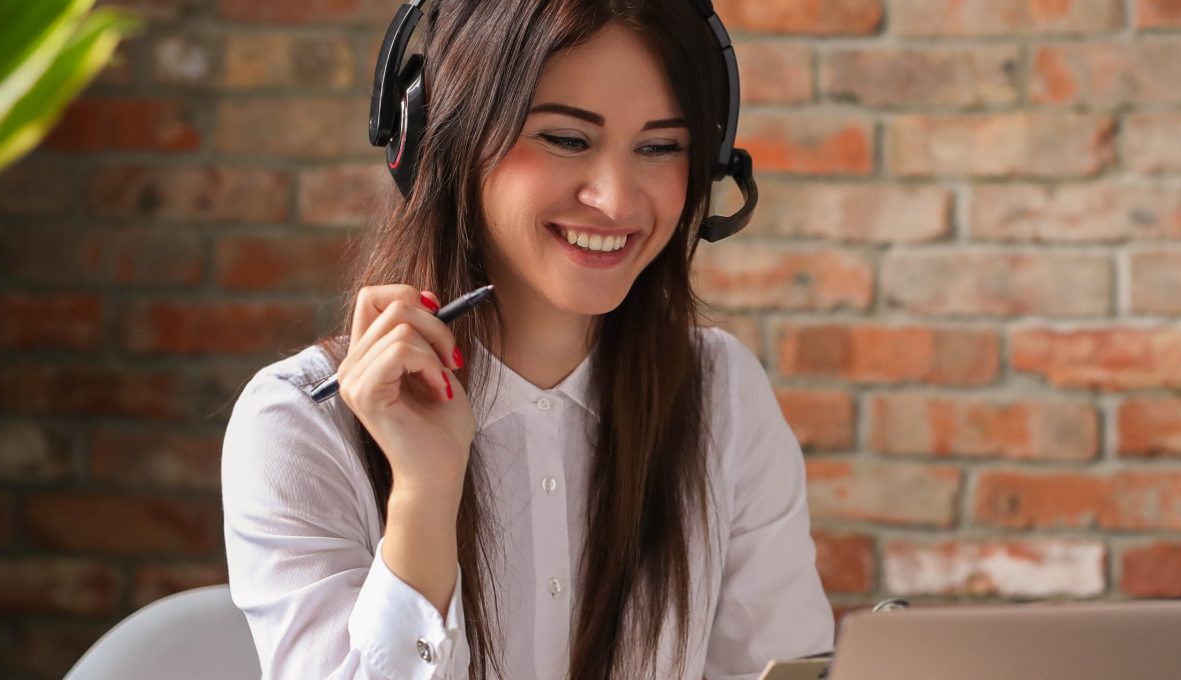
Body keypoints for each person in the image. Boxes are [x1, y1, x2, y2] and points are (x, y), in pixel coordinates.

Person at [218, 0, 835, 678]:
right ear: (437, 136)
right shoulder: (299, 426)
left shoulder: (723, 394)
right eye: (567, 140)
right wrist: (424, 494)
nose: (617, 199)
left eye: (660, 147)